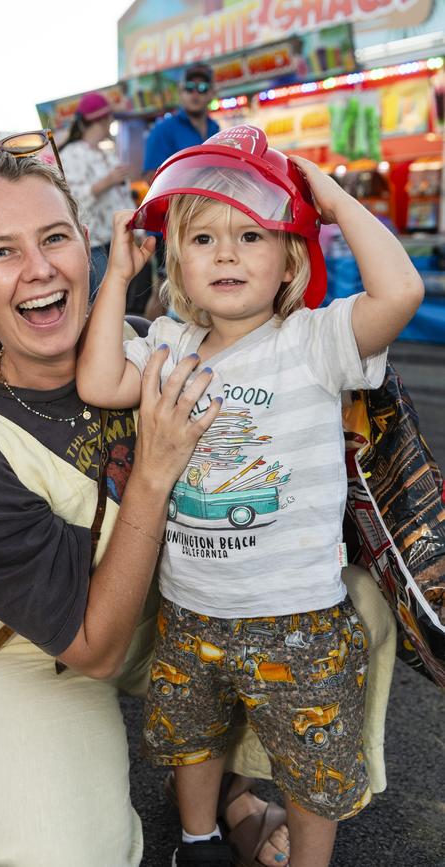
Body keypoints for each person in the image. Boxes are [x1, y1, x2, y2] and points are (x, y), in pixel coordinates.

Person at [0, 139, 307, 867]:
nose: (39, 269)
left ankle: (233, 786)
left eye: (54, 237)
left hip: (192, 617)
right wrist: (154, 473)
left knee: (340, 597)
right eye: (1, 252)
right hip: (45, 649)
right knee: (59, 854)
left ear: (88, 243)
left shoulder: (148, 346)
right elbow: (93, 647)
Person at [76, 124, 423, 867]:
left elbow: (402, 291)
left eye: (254, 235)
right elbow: (100, 381)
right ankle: (199, 841)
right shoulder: (166, 340)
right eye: (202, 239)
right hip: (190, 607)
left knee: (313, 765)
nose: (227, 253)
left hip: (299, 619)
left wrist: (331, 198)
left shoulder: (315, 342)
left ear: (292, 256)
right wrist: (118, 275)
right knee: (189, 736)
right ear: (176, 258)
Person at [142, 62, 221, 321]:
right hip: (170, 224)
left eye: (201, 87)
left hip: (205, 222)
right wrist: (191, 192)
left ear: (211, 92)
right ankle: (147, 338)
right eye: (189, 87)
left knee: (199, 283)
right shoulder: (164, 129)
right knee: (163, 289)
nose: (195, 93)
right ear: (180, 92)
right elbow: (149, 175)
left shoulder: (215, 129)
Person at [60, 91, 135, 299]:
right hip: (94, 243)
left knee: (124, 300)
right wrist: (107, 181)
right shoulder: (72, 154)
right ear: (102, 120)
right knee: (104, 301)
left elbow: (122, 196)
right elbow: (71, 201)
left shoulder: (105, 153)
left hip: (118, 238)